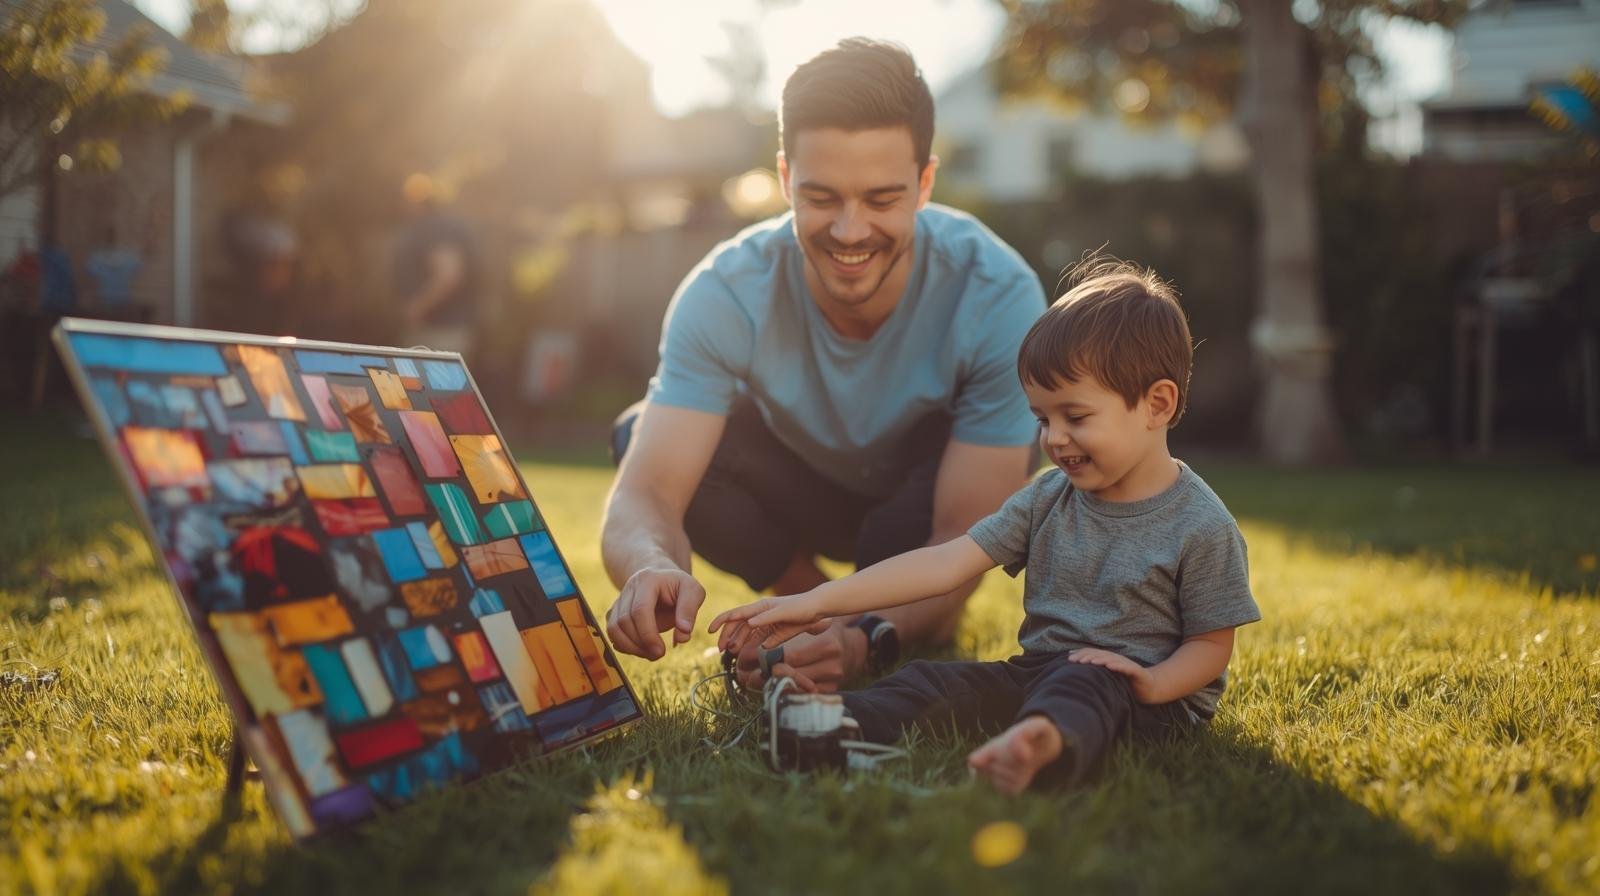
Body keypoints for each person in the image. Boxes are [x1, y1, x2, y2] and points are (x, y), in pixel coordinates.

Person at [709, 260, 1262, 793]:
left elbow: (1212, 643)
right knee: (936, 681)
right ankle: (830, 721)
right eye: (1043, 419)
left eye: (1076, 417)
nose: (1054, 438)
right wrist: (818, 602)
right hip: (1040, 674)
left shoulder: (1200, 523)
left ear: (1156, 404)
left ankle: (1040, 744)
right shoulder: (1048, 496)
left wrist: (1154, 681)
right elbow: (946, 562)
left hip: (1142, 697)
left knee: (1084, 679)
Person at [602, 38, 1046, 692]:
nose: (848, 230)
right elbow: (646, 494)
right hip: (803, 488)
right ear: (785, 179)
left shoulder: (999, 293)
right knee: (634, 431)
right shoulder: (725, 292)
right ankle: (804, 606)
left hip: (917, 509)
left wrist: (865, 641)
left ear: (925, 183)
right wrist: (647, 564)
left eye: (880, 199)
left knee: (940, 515)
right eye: (821, 197)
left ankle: (877, 620)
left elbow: (963, 536)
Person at [393, 178, 482, 356]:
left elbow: (448, 275)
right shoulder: (437, 226)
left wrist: (415, 309)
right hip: (442, 332)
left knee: (431, 384)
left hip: (438, 334)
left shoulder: (434, 228)